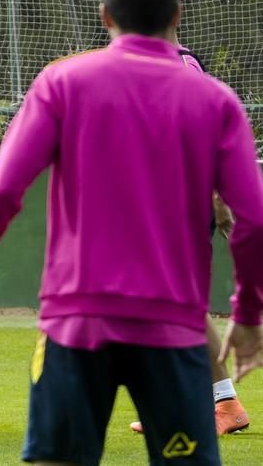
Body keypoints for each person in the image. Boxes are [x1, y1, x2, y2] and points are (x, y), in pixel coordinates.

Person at [0, 0, 263, 466]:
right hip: (174, 334)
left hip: (75, 328)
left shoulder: (62, 83)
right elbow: (254, 220)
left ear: (105, 15)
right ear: (177, 14)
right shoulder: (217, 101)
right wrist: (248, 312)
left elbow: (3, 188)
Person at [129, 43, 249, 436]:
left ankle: (224, 403)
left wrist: (216, 197)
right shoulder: (144, 63)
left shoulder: (179, 63)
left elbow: (205, 130)